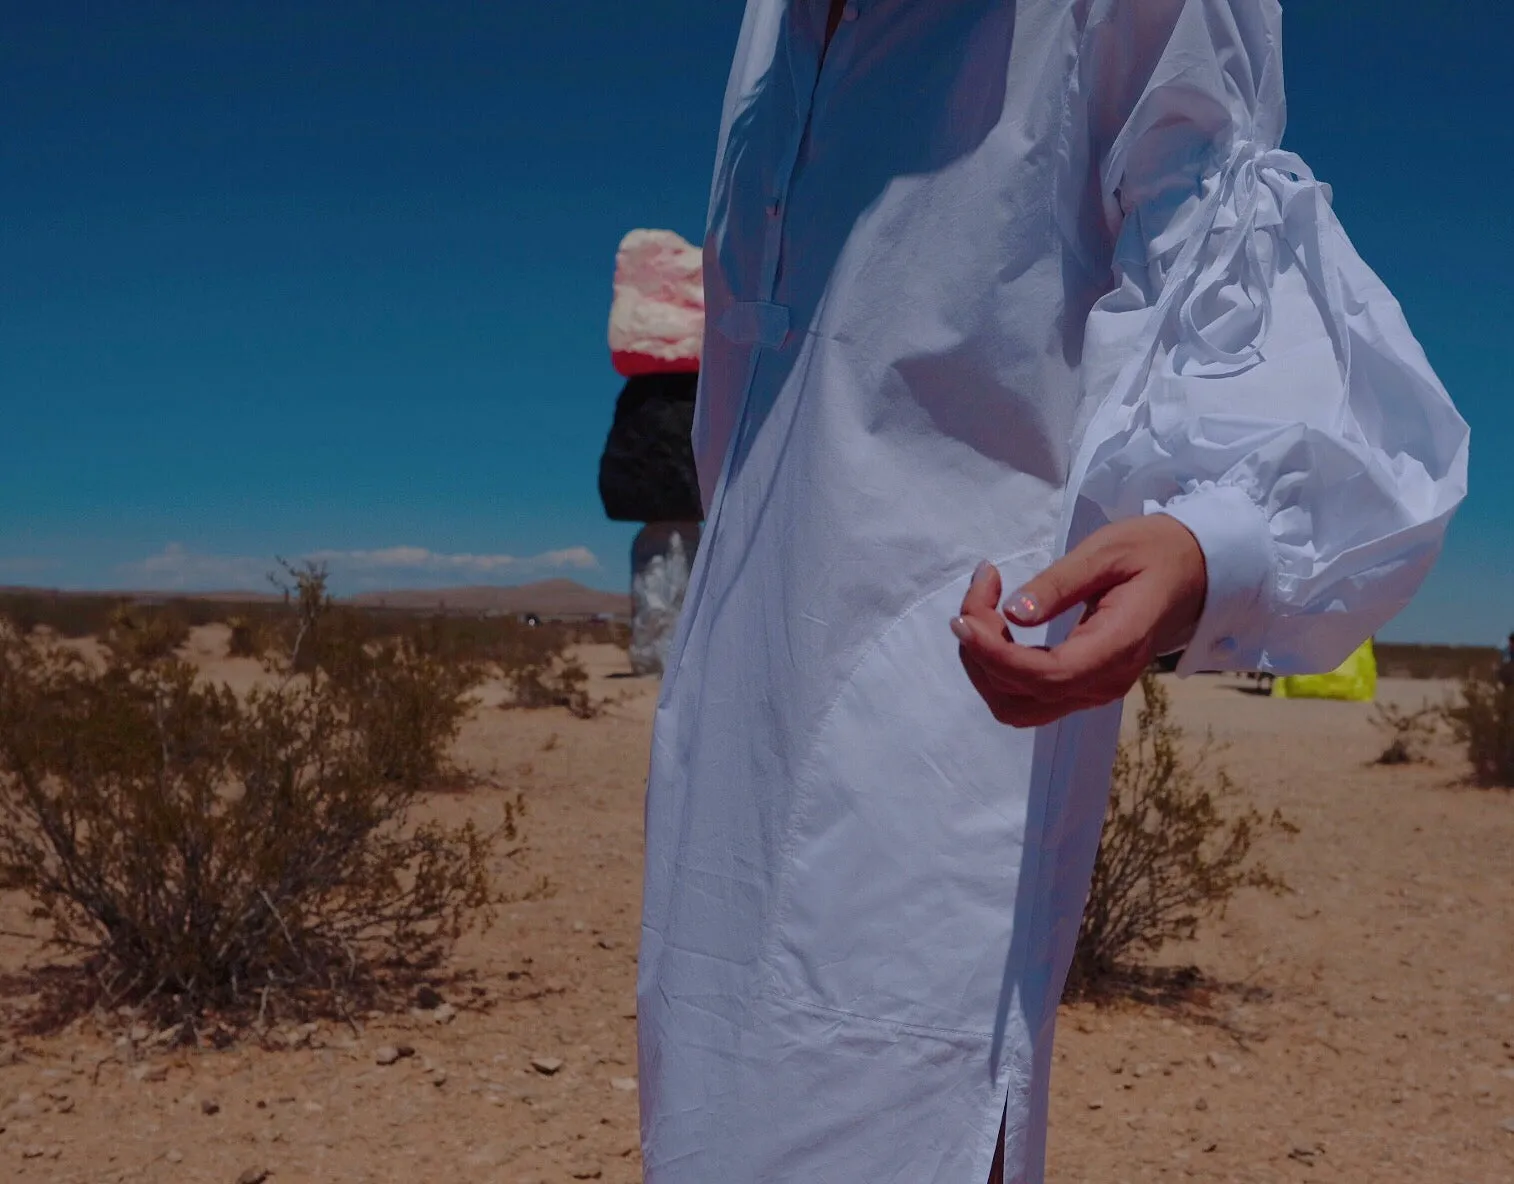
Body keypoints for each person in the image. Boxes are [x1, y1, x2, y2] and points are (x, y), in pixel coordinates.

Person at [637, 2, 1470, 1181]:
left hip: (948, 711)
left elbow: (1213, 222)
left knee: (883, 1098)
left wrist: (1212, 538)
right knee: (707, 1103)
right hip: (731, 708)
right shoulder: (768, 32)